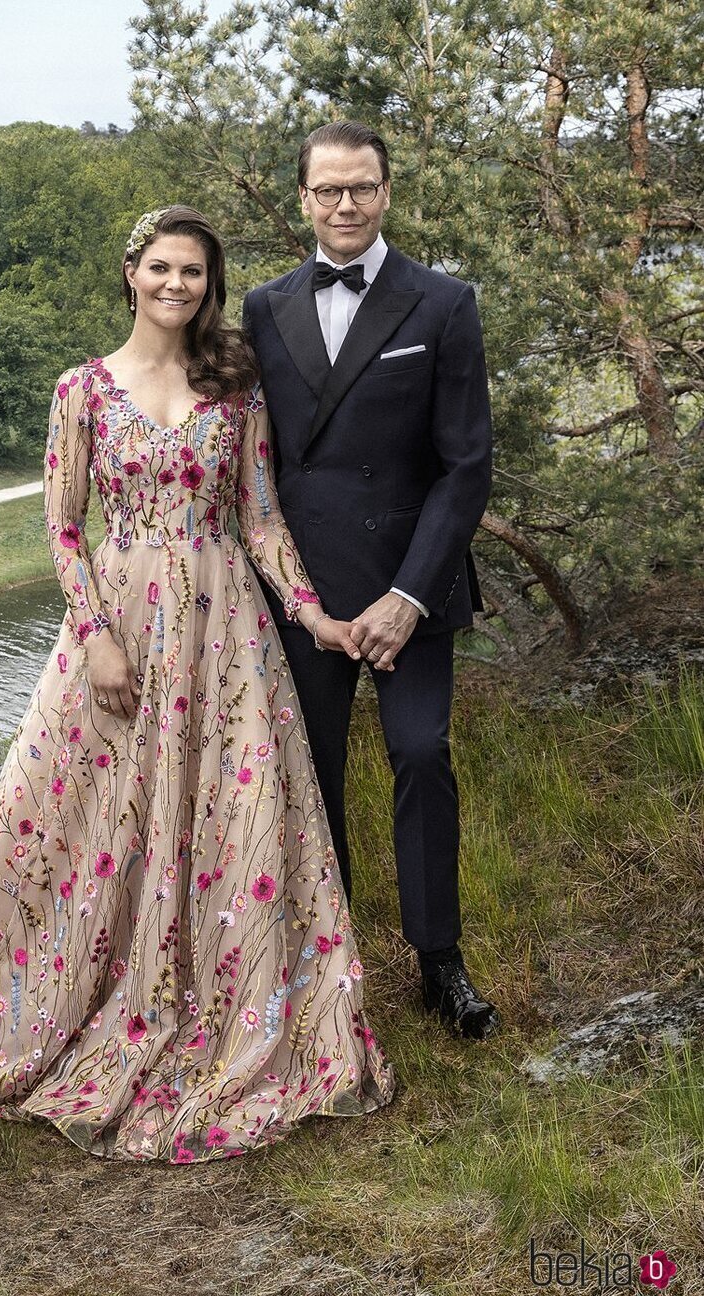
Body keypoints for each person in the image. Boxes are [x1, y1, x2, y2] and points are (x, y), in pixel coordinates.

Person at [0, 205, 395, 1164]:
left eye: (195, 275)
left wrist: (312, 614)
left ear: (209, 287)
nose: (177, 287)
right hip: (121, 625)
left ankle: (231, 1012)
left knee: (231, 816)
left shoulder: (234, 384)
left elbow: (258, 521)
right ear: (131, 273)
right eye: (162, 269)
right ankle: (35, 1018)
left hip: (226, 634)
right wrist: (94, 638)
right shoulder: (82, 389)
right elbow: (63, 527)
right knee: (86, 827)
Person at [242, 121, 499, 1040]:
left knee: (421, 755)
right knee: (309, 776)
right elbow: (254, 458)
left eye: (362, 188)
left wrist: (409, 596)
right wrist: (297, 600)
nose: (345, 205)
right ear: (303, 199)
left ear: (385, 192)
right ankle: (326, 963)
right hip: (302, 591)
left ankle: (441, 964)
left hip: (409, 588)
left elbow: (464, 466)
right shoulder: (264, 309)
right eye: (327, 191)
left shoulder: (441, 303)